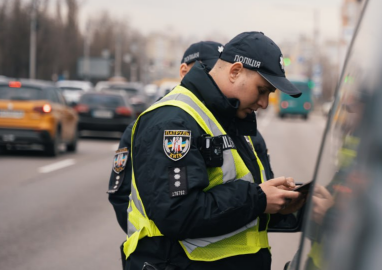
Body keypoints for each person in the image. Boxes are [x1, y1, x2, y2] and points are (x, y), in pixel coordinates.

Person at [123, 32, 306, 270]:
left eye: (269, 94)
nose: (264, 103)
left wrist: (285, 203)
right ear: (235, 71)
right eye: (262, 90)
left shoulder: (230, 119)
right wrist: (259, 199)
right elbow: (177, 213)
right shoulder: (173, 121)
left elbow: (239, 205)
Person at [107, 41, 277, 245]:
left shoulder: (242, 128)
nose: (211, 76)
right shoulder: (166, 122)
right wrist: (157, 251)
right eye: (205, 68)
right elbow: (129, 200)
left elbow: (260, 196)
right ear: (184, 71)